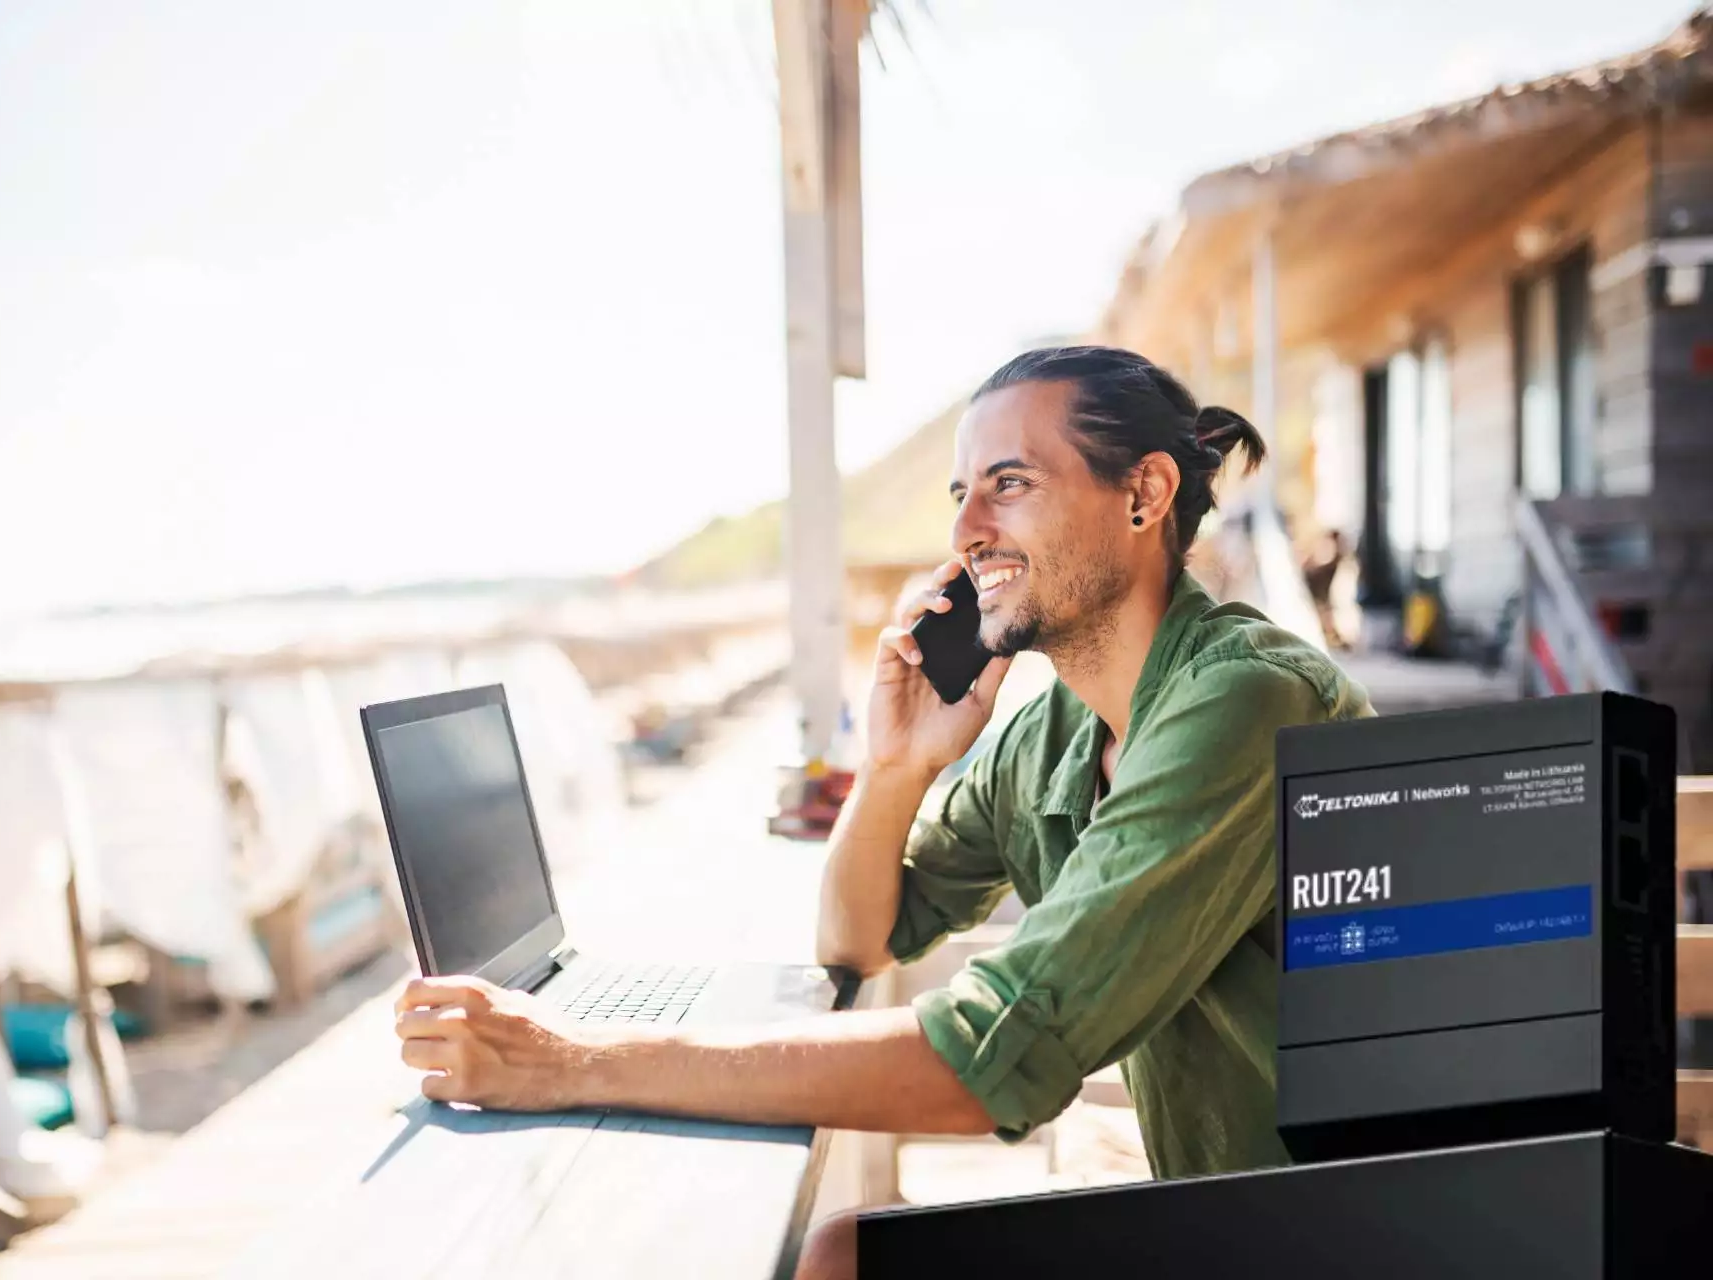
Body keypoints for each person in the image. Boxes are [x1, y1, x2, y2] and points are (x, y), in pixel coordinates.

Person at [391, 346, 1375, 1280]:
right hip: (1221, 1210)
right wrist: (896, 762)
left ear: (1145, 494)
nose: (965, 532)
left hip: (1343, 1236)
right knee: (843, 1256)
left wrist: (574, 1061)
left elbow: (989, 1064)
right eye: (961, 496)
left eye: (1011, 484)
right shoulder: (1054, 737)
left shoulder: (1245, 700)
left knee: (843, 1260)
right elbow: (859, 939)